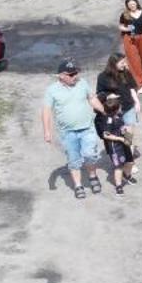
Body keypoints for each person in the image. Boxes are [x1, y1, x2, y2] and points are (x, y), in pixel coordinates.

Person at [42, 59, 104, 199]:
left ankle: (93, 177)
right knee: (74, 160)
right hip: (67, 133)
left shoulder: (82, 83)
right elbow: (46, 110)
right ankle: (78, 185)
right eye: (71, 74)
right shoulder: (52, 90)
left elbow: (92, 98)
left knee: (90, 155)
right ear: (61, 76)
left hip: (87, 128)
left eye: (76, 73)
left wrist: (104, 111)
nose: (75, 76)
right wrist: (47, 131)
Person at [95, 90, 137, 194]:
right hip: (115, 146)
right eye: (120, 107)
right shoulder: (108, 120)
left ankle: (127, 175)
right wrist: (120, 139)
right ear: (116, 109)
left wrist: (128, 137)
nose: (121, 108)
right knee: (118, 166)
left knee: (130, 161)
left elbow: (122, 128)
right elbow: (105, 135)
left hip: (124, 143)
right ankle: (118, 185)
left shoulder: (118, 116)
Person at [98, 52, 142, 132]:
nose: (125, 64)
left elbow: (132, 88)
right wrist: (108, 96)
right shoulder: (103, 76)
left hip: (128, 107)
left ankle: (129, 144)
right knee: (116, 132)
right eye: (122, 62)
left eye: (125, 62)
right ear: (114, 63)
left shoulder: (126, 73)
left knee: (129, 132)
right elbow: (99, 93)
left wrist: (137, 102)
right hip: (113, 110)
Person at [117, 0, 142, 81]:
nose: (132, 6)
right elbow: (120, 26)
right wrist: (127, 29)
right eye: (130, 5)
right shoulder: (125, 15)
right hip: (129, 38)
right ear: (127, 5)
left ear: (137, 3)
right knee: (134, 60)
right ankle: (139, 82)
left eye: (133, 4)